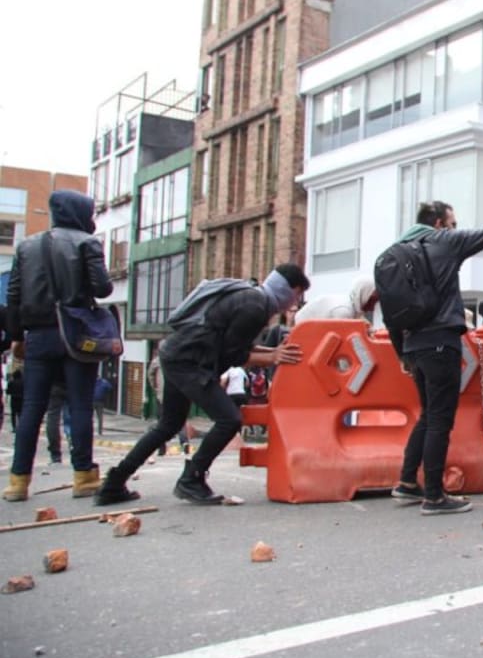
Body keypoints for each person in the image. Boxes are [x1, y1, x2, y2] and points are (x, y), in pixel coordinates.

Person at [93, 264, 309, 506]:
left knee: (168, 424)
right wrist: (272, 357)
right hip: (190, 362)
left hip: (176, 355)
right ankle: (192, 479)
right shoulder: (256, 307)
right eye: (297, 295)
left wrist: (273, 352)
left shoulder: (250, 295)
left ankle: (114, 483)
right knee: (230, 419)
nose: (294, 303)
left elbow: (236, 346)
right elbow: (234, 354)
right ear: (289, 289)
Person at [386, 201, 483, 516]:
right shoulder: (442, 242)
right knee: (439, 419)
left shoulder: (396, 252)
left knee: (427, 415)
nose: (455, 228)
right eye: (452, 223)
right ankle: (435, 496)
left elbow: (390, 312)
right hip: (440, 341)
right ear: (438, 223)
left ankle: (407, 482)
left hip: (413, 344)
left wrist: (402, 353)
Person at [4, 190, 113, 502]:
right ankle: (83, 477)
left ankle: (18, 482)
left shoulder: (26, 246)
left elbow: (13, 296)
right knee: (79, 405)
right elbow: (103, 287)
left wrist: (17, 337)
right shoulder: (86, 242)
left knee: (32, 409)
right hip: (77, 334)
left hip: (38, 335)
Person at [294, 274, 378, 324]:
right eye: (372, 300)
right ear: (363, 294)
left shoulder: (352, 307)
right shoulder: (344, 310)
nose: (373, 307)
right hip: (305, 331)